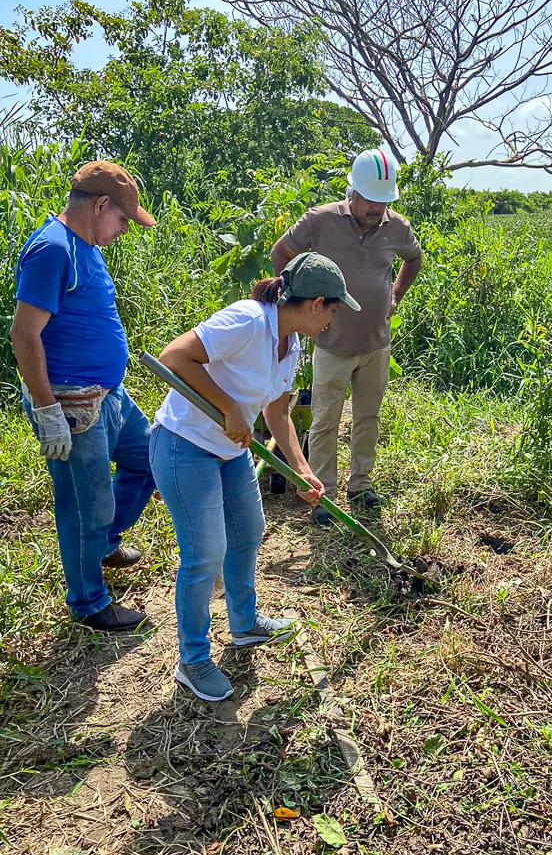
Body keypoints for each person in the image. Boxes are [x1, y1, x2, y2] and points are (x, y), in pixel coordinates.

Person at [150, 253, 360, 702]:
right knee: (205, 552)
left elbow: (277, 410)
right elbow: (173, 357)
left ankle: (244, 624)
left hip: (230, 451)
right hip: (185, 445)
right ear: (314, 303)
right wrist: (227, 406)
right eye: (333, 310)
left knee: (249, 531)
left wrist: (302, 471)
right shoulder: (246, 321)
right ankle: (192, 658)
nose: (332, 320)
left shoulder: (292, 341)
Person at [10, 161, 157, 631]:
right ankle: (88, 601)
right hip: (73, 404)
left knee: (149, 458)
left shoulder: (85, 246)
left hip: (109, 397)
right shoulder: (52, 250)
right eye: (121, 220)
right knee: (82, 503)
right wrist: (47, 410)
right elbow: (24, 334)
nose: (122, 230)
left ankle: (105, 543)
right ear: (99, 206)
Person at [270, 149, 422, 525]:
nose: (376, 208)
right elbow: (282, 251)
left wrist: (395, 294)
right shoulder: (321, 220)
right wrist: (299, 302)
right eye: (370, 199)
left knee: (368, 417)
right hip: (332, 344)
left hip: (376, 344)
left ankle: (361, 485)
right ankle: (325, 495)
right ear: (352, 191)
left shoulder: (396, 227)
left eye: (384, 201)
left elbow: (413, 258)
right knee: (325, 420)